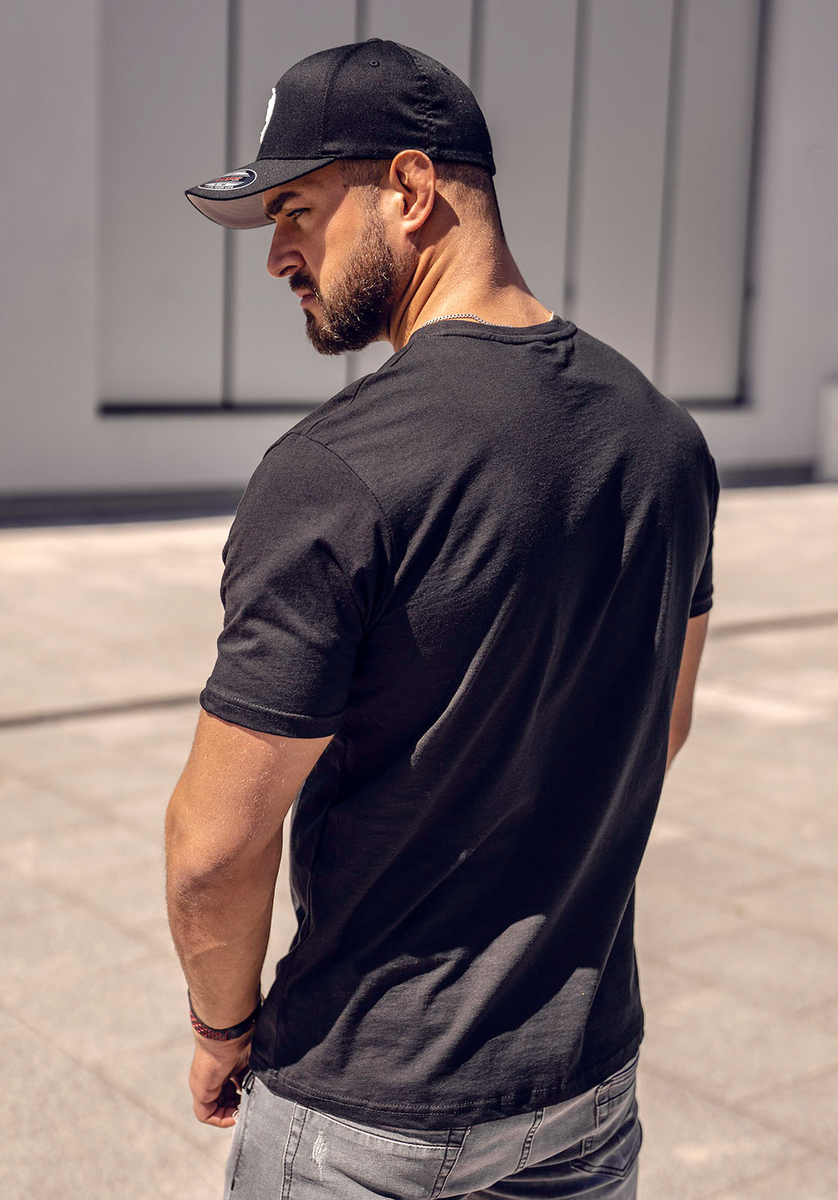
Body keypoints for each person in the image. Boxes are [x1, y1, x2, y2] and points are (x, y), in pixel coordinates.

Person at [166, 38, 718, 1200]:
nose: (277, 255)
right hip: (583, 1096)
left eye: (298, 210)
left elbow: (214, 848)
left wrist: (222, 1026)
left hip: (365, 1110)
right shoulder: (666, 442)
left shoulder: (337, 468)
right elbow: (657, 730)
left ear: (410, 189)